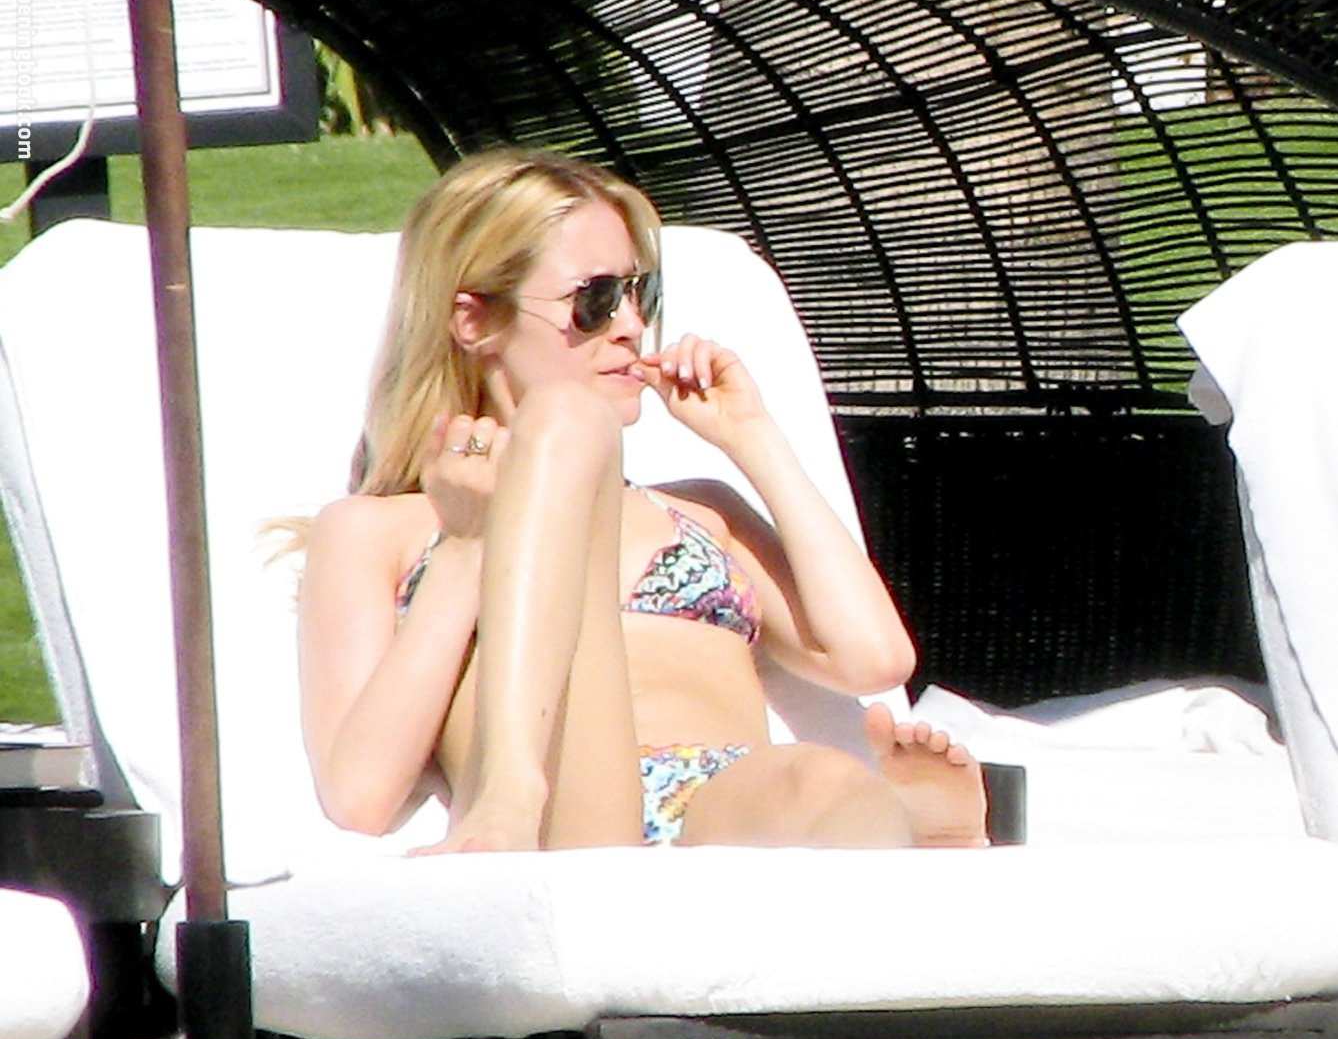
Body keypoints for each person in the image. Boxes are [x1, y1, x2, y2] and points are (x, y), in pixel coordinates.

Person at [297, 147, 987, 854]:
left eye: (640, 294)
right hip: (566, 814)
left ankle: (922, 839)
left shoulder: (704, 512)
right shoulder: (380, 529)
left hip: (721, 806)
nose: (630, 324)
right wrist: (466, 548)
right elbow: (360, 797)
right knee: (566, 415)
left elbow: (874, 659)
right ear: (474, 322)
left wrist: (753, 438)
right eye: (595, 300)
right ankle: (510, 786)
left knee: (821, 779)